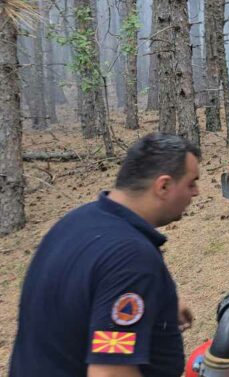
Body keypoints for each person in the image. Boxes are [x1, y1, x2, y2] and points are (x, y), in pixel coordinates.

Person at [9, 133, 200, 377]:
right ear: (163, 186)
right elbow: (109, 372)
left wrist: (159, 301)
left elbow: (85, 294)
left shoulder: (78, 222)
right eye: (191, 183)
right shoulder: (130, 258)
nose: (196, 192)